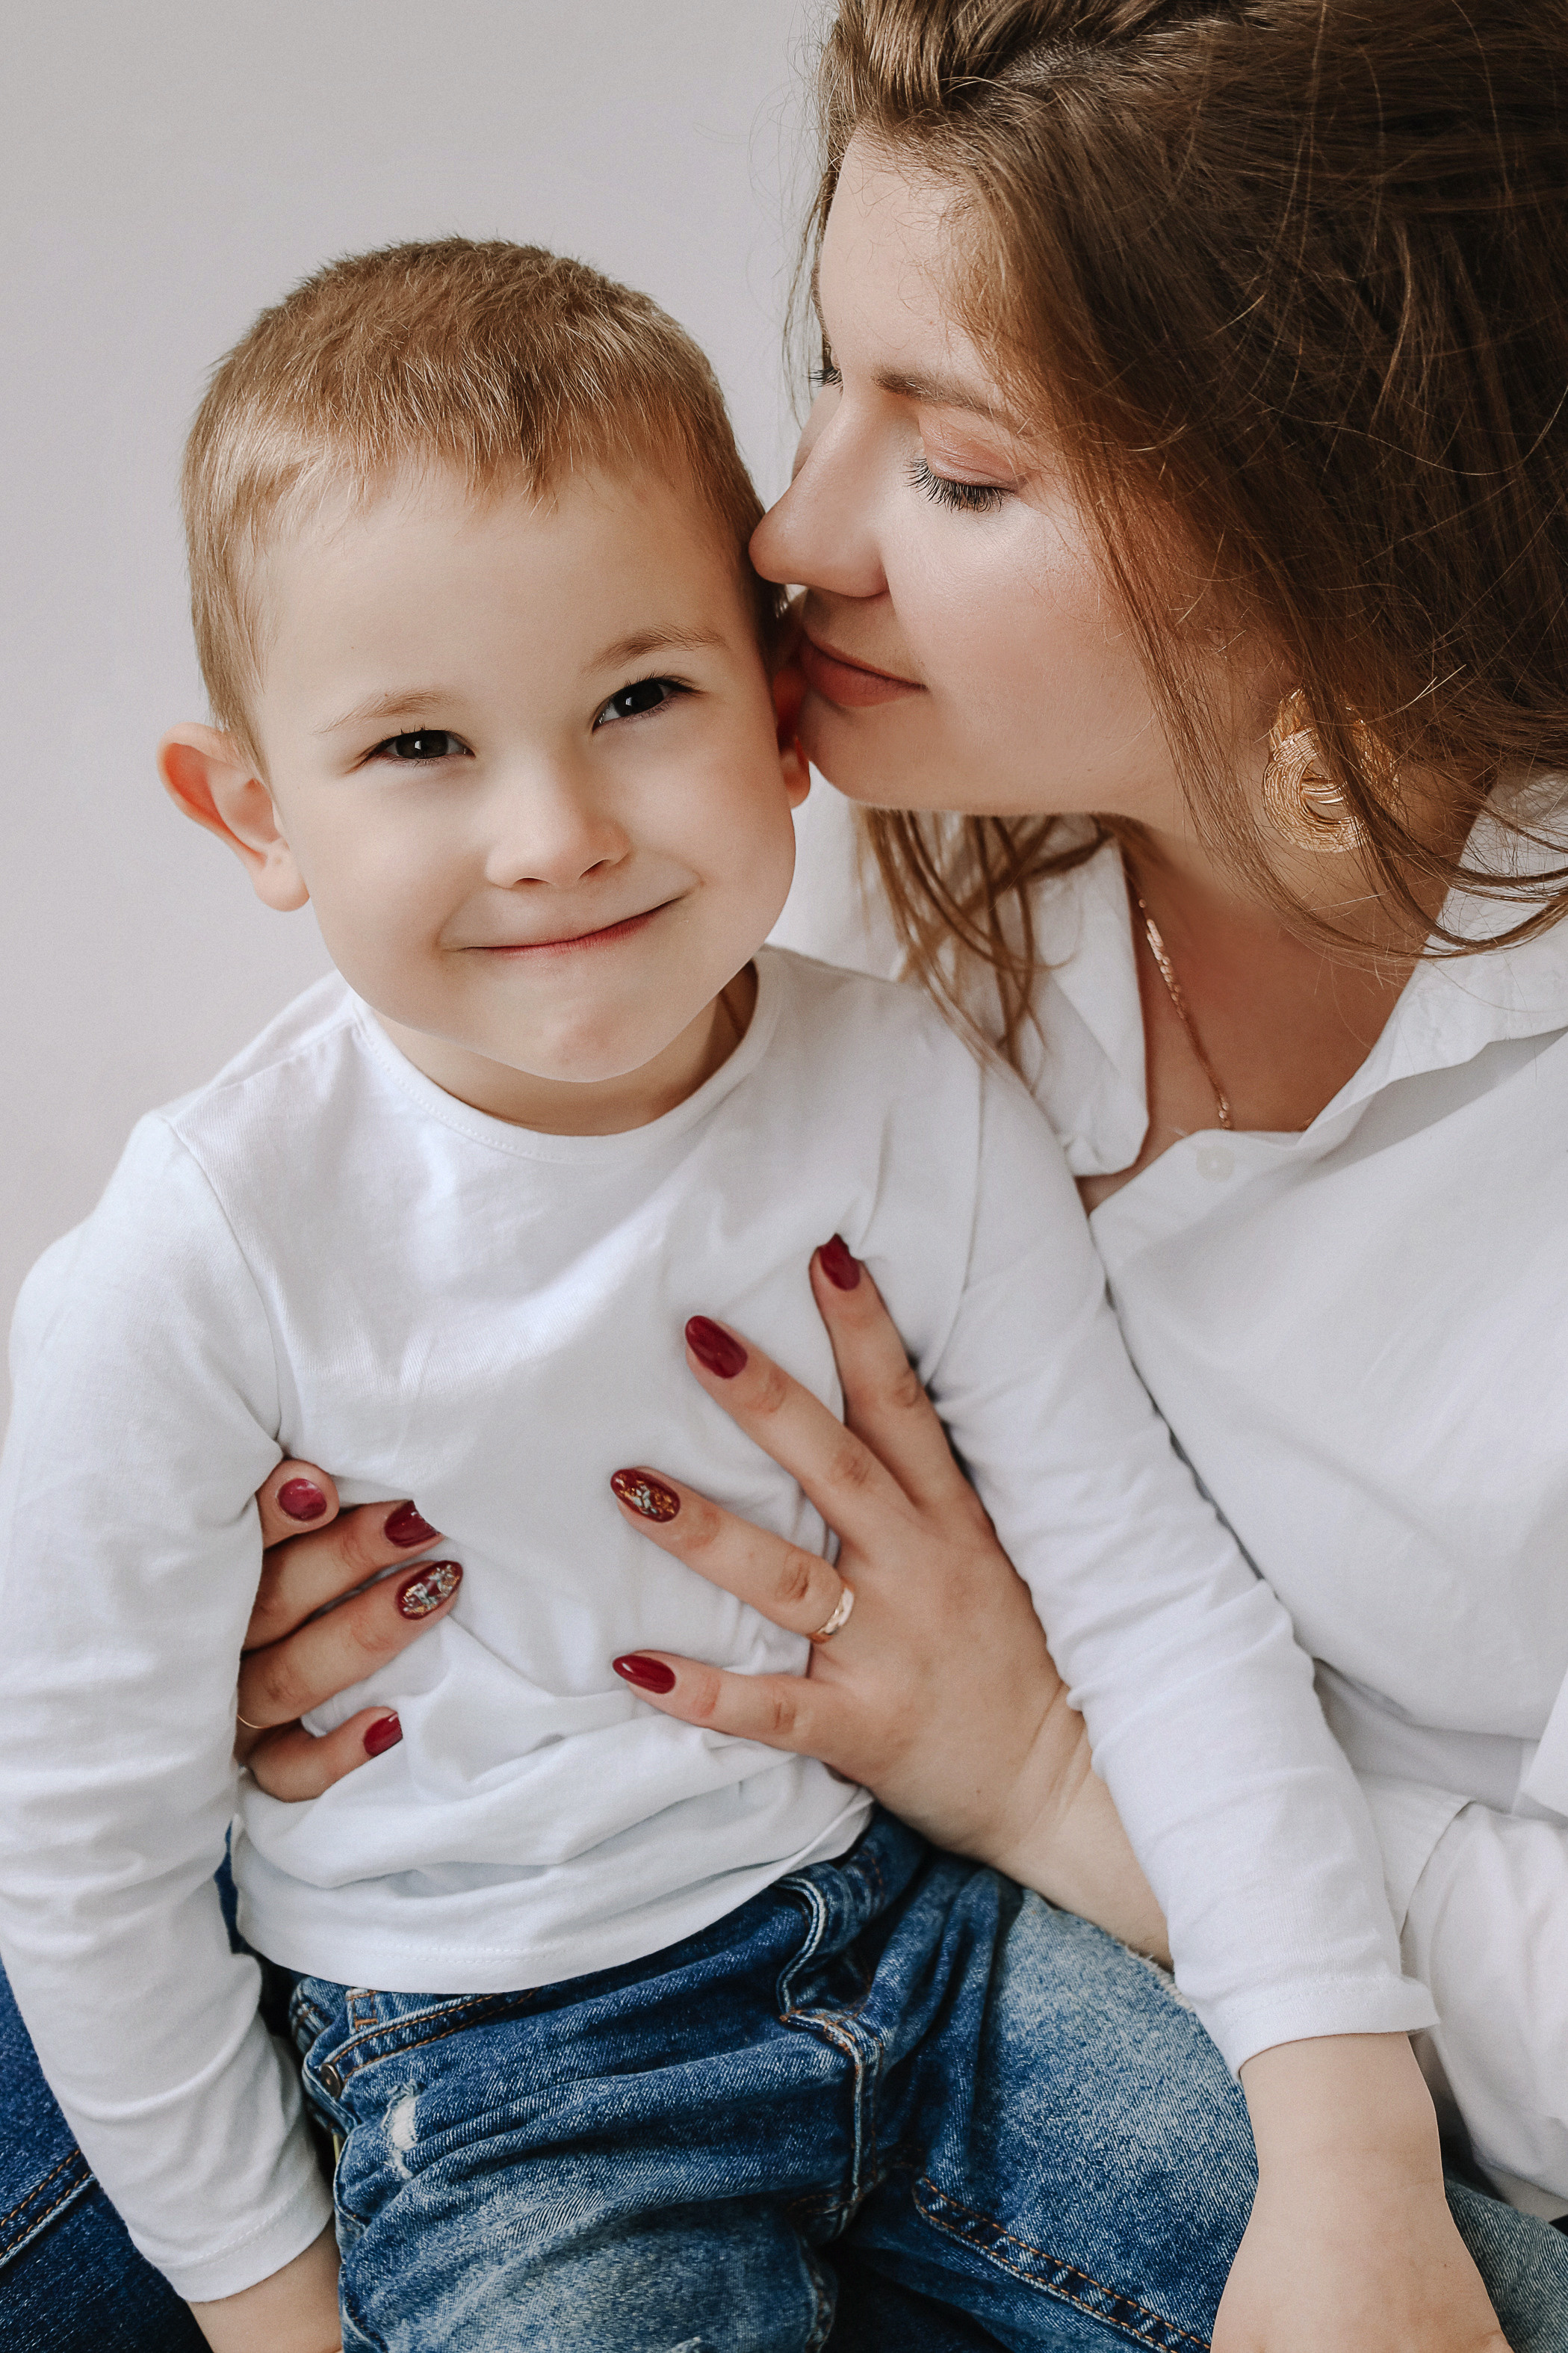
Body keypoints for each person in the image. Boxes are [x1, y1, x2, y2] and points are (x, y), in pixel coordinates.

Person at [6, 0, 1568, 2348]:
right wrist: (232, 1663)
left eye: (948, 464)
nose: (785, 538)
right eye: (821, 383)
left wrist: (1034, 1765)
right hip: (482, 2004)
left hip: (986, 1920)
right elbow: (93, 1807)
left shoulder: (852, 993)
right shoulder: (813, 860)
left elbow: (1171, 1637)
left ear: (1310, 505)